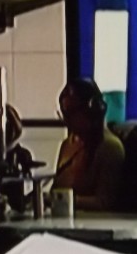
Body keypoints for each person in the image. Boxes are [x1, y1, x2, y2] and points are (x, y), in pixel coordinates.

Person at [52, 78, 125, 211]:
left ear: (91, 110)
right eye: (64, 114)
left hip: (92, 221)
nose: (67, 121)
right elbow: (57, 189)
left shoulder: (110, 148)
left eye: (71, 113)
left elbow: (104, 202)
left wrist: (64, 200)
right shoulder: (68, 144)